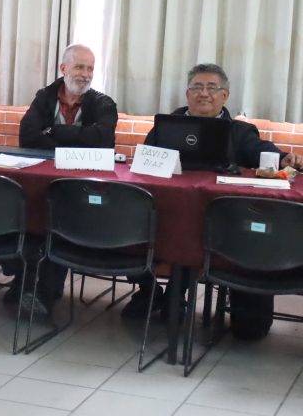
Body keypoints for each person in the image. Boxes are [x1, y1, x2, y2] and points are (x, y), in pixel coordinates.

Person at [130, 63, 303, 337]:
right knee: (131, 217)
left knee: (250, 332)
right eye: (197, 87)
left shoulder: (239, 131)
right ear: (187, 94)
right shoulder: (165, 126)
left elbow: (260, 152)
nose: (204, 93)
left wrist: (283, 159)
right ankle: (151, 292)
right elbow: (144, 159)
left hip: (221, 227)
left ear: (225, 96)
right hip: (167, 218)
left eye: (212, 88)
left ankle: (176, 297)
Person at [15, 44, 119, 315]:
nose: (86, 74)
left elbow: (102, 139)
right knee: (28, 211)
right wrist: (80, 136)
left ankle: (43, 293)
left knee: (63, 217)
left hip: (84, 186)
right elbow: (27, 136)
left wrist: (53, 131)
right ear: (63, 68)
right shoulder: (44, 97)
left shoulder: (104, 103)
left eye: (90, 68)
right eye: (79, 67)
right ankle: (23, 285)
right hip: (44, 181)